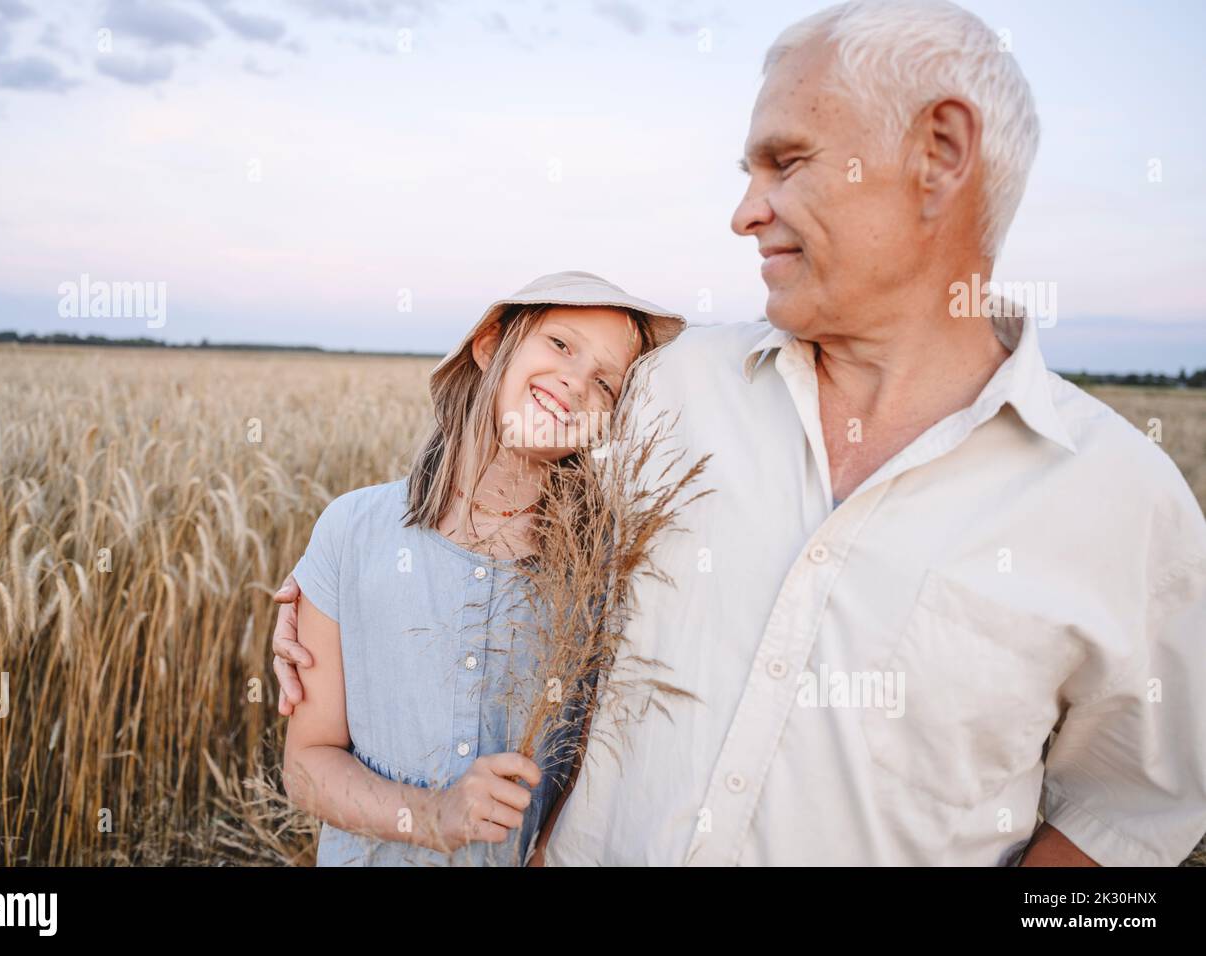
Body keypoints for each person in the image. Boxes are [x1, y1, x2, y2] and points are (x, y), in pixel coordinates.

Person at [277, 0, 1206, 866]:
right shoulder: (669, 389)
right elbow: (506, 467)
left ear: (940, 151)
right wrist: (337, 581)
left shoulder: (1124, 507)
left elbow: (1127, 818)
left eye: (787, 161)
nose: (743, 212)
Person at [279, 270, 683, 865]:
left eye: (606, 383)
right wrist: (434, 817)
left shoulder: (608, 569)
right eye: (561, 344)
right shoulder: (352, 530)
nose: (574, 381)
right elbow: (306, 765)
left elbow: (598, 767)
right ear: (492, 344)